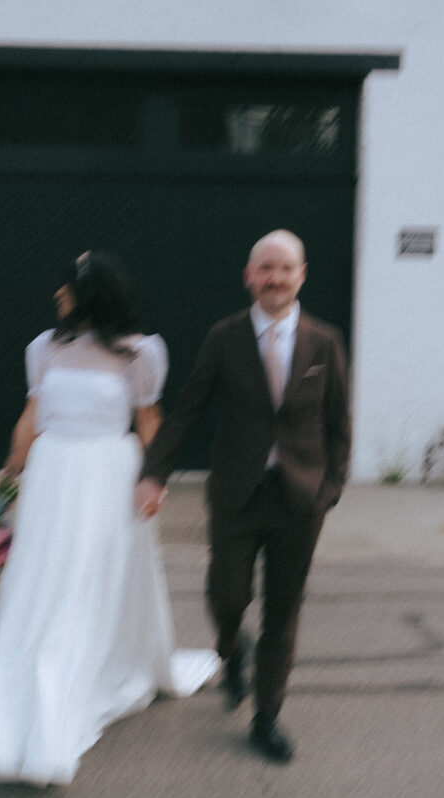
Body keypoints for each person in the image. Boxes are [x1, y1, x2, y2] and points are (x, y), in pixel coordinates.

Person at [0, 251, 218, 786]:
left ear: (90, 293)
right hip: (52, 478)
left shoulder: (140, 353)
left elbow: (150, 420)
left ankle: (73, 688)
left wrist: (155, 478)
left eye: (66, 287)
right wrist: (6, 483)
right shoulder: (44, 349)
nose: (57, 295)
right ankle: (21, 704)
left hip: (108, 479)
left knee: (88, 586)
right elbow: (31, 417)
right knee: (36, 588)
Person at [137, 230, 351, 762]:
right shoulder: (224, 336)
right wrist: (153, 470)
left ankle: (267, 716)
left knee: (284, 609)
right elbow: (188, 407)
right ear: (249, 277)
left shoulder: (324, 341)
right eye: (266, 268)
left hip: (300, 498)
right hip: (236, 493)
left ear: (301, 275)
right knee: (227, 597)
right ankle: (232, 650)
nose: (275, 278)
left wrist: (331, 487)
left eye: (285, 268)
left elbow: (338, 422)